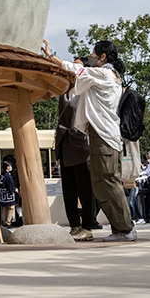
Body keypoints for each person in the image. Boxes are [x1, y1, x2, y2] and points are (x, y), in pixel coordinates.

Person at [44, 39, 136, 242]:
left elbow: (76, 70)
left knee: (108, 182)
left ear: (102, 57)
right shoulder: (106, 76)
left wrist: (52, 57)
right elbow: (77, 83)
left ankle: (126, 228)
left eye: (94, 54)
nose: (92, 57)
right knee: (101, 182)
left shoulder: (104, 73)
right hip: (99, 134)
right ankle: (121, 228)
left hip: (104, 136)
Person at [55, 89, 96, 240]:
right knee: (69, 189)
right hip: (65, 142)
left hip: (81, 144)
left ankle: (87, 226)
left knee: (85, 189)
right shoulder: (63, 92)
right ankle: (74, 225)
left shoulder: (87, 92)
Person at [0, 162, 18, 226]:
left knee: (4, 209)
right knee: (10, 208)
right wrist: (15, 189)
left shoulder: (1, 175)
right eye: (10, 166)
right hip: (8, 195)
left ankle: (4, 222)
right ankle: (8, 222)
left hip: (2, 195)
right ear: (7, 167)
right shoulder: (8, 176)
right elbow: (10, 186)